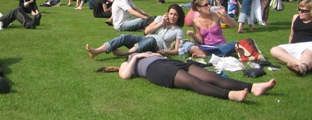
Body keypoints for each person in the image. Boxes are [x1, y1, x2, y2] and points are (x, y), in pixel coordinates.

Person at [117, 52, 276, 102]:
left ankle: (253, 87)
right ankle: (230, 95)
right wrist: (136, 57)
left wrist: (155, 54)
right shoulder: (128, 62)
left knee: (212, 77)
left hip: (171, 62)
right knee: (192, 82)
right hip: (155, 69)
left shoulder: (148, 54)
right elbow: (124, 76)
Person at [86, 4, 185, 58]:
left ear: (179, 16)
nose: (172, 16)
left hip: (156, 47)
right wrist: (161, 24)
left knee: (151, 40)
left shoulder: (178, 31)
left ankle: (124, 52)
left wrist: (164, 51)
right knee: (125, 37)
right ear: (167, 14)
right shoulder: (159, 19)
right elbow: (146, 31)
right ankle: (97, 51)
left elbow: (176, 51)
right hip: (145, 40)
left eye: (175, 14)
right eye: (171, 14)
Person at [270, 0, 312, 75]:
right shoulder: (295, 17)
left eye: (304, 11)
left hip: (309, 46)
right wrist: (289, 46)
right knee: (274, 50)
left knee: (307, 53)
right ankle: (300, 64)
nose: (300, 12)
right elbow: (292, 34)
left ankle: (301, 68)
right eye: (299, 9)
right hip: (295, 46)